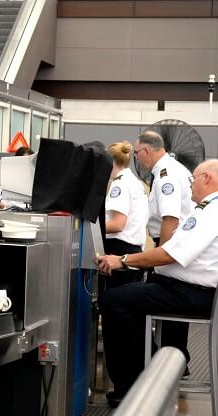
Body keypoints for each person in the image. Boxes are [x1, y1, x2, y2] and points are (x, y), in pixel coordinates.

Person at [96, 159, 218, 408]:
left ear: (208, 178)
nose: (191, 185)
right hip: (184, 288)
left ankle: (132, 386)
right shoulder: (207, 208)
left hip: (193, 293)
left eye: (194, 179)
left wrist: (123, 260)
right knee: (128, 296)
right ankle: (149, 366)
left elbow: (170, 254)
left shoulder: (211, 210)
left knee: (114, 301)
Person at [133, 130, 193, 366]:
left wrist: (161, 256)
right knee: (173, 311)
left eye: (137, 154)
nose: (137, 159)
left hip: (171, 244)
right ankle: (176, 361)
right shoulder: (175, 169)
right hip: (178, 246)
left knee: (165, 303)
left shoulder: (166, 175)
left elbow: (170, 219)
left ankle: (171, 361)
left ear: (147, 150)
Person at [102, 141, 149, 288]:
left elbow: (117, 224)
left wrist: (92, 229)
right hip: (132, 249)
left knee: (112, 301)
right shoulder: (135, 182)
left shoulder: (120, 183)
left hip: (118, 249)